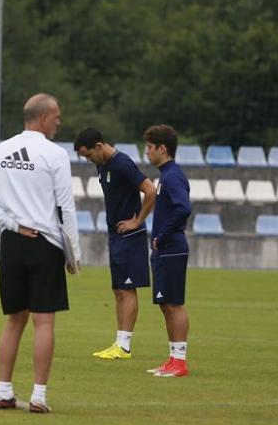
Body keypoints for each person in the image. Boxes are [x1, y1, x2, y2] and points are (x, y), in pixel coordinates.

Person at [0, 93, 80, 413]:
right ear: (43, 118)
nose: (59, 121)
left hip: (13, 243)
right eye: (57, 116)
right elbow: (65, 208)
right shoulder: (55, 154)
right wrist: (73, 254)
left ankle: (3, 391)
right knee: (44, 322)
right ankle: (39, 396)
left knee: (13, 321)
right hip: (45, 244)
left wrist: (12, 223)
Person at [74, 128, 156, 359]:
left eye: (89, 155)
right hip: (115, 234)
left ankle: (125, 345)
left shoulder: (122, 164)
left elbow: (150, 191)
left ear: (99, 146)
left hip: (129, 236)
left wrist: (138, 221)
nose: (89, 161)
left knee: (128, 289)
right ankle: (119, 342)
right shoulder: (103, 165)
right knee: (119, 289)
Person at [144, 124, 191, 377]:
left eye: (150, 148)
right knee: (166, 305)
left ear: (163, 148)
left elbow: (183, 208)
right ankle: (172, 358)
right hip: (165, 249)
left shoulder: (173, 176)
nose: (146, 153)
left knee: (174, 304)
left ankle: (180, 361)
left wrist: (162, 234)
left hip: (172, 248)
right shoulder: (166, 175)